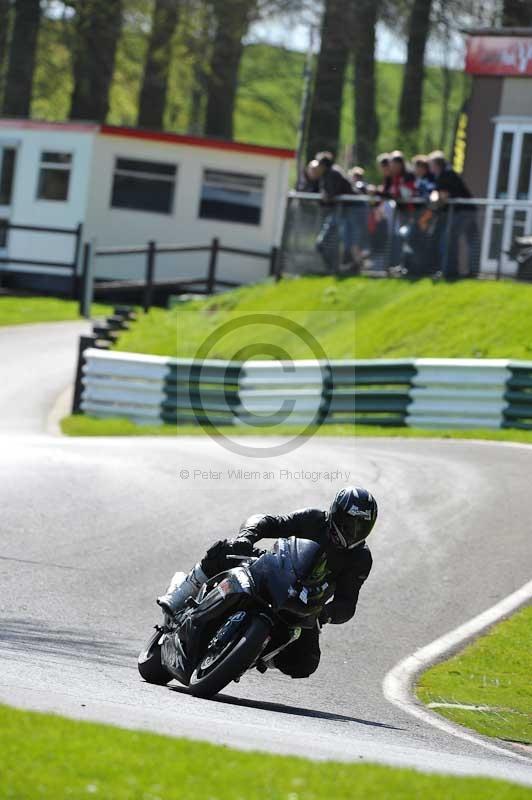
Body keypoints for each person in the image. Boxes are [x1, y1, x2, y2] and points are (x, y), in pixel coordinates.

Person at [158, 487, 377, 679]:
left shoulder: (361, 559)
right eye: (350, 524)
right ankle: (181, 593)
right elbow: (271, 522)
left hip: (305, 603)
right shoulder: (314, 519)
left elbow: (347, 603)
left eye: (362, 527)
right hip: (275, 569)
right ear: (336, 514)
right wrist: (247, 536)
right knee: (227, 549)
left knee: (306, 662)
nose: (354, 532)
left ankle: (258, 654)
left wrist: (326, 614)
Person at [428, 150, 479, 279]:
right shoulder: (446, 174)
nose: (430, 168)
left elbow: (443, 197)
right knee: (469, 241)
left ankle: (450, 271)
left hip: (463, 212)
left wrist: (433, 205)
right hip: (467, 211)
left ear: (436, 165)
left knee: (450, 239)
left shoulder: (445, 175)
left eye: (431, 165)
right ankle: (470, 271)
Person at [310, 152, 354, 273]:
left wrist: (326, 196)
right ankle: (332, 269)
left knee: (345, 245)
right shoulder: (325, 176)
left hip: (347, 213)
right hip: (336, 213)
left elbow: (332, 193)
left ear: (323, 165)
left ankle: (344, 268)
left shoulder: (333, 174)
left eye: (318, 164)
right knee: (322, 244)